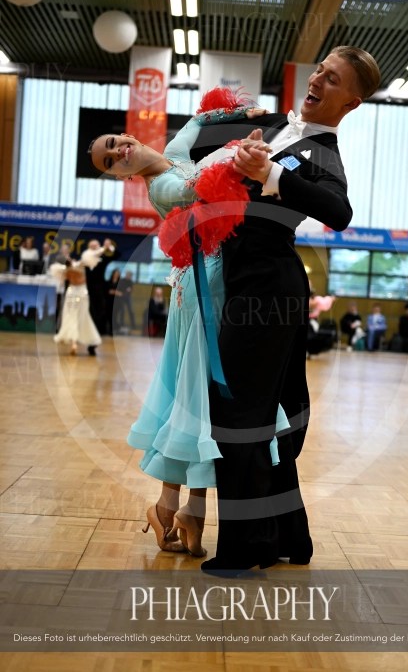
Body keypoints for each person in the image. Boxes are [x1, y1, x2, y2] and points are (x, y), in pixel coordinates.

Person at [190, 46, 381, 574]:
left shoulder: (324, 155)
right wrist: (239, 127)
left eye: (333, 79)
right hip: (246, 282)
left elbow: (339, 212)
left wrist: (273, 173)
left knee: (238, 414)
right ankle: (286, 535)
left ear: (352, 102)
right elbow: (196, 144)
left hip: (268, 291)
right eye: (320, 70)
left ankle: (245, 546)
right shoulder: (276, 126)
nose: (318, 79)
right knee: (263, 413)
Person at [90, 91, 271, 556]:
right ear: (120, 175)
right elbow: (202, 189)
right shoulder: (161, 188)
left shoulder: (173, 154)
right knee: (197, 399)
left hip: (220, 280)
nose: (118, 153)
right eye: (110, 162)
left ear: (128, 136)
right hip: (201, 288)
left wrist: (241, 114)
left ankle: (180, 509)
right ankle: (182, 510)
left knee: (201, 402)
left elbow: (199, 118)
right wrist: (240, 155)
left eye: (114, 143)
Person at [51, 250, 102, 355]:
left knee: (71, 317)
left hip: (71, 294)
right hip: (81, 294)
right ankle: (81, 341)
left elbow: (61, 278)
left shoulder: (64, 270)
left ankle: (74, 343)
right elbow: (90, 259)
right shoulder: (79, 266)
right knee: (82, 317)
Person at [85, 238, 119, 355]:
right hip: (87, 292)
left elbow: (117, 254)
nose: (94, 248)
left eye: (96, 246)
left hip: (99, 293)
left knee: (99, 316)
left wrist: (109, 247)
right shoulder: (86, 258)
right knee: (89, 316)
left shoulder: (102, 259)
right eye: (92, 246)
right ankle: (88, 340)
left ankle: (93, 343)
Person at [106, 268, 124, 335]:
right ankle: (110, 329)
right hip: (109, 301)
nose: (116, 275)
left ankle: (113, 330)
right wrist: (113, 292)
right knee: (109, 315)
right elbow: (107, 291)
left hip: (117, 302)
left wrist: (115, 292)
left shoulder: (121, 283)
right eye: (115, 273)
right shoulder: (109, 282)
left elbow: (122, 293)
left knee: (114, 316)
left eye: (117, 274)